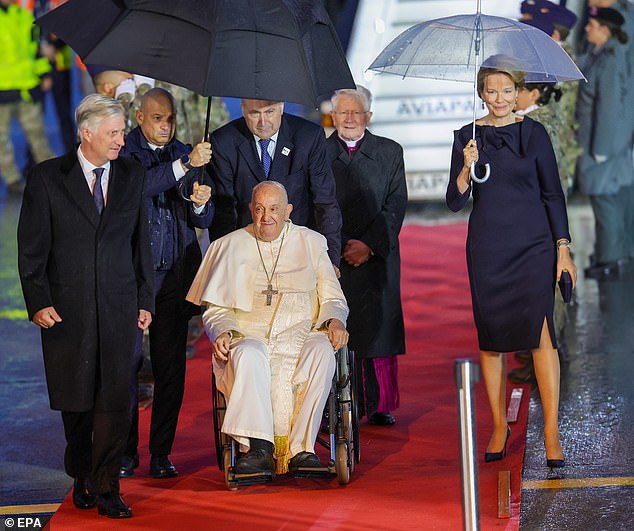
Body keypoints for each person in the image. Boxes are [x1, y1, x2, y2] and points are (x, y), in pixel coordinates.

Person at [17, 94, 154, 518]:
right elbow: (32, 248)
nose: (120, 140)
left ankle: (108, 485)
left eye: (121, 132)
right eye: (112, 133)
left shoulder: (132, 174)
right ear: (86, 133)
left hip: (119, 308)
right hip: (66, 312)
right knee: (76, 401)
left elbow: (140, 245)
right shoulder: (47, 178)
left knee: (116, 398)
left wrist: (145, 300)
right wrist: (38, 302)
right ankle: (82, 474)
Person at [446, 65, 577, 468]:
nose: (500, 98)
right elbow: (454, 201)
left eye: (507, 90)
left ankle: (551, 430)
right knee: (492, 339)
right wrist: (467, 167)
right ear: (481, 93)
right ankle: (500, 426)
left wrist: (563, 249)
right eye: (492, 90)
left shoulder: (532, 133)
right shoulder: (466, 137)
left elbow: (553, 194)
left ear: (517, 92)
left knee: (541, 337)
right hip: (488, 248)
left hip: (534, 246)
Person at [186, 181, 349, 475]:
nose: (266, 217)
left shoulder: (311, 242)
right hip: (250, 336)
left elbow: (333, 298)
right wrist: (223, 331)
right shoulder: (228, 246)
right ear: (251, 209)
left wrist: (335, 320)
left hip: (302, 336)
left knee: (323, 351)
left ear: (288, 211)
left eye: (274, 209)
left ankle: (303, 450)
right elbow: (215, 309)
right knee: (249, 353)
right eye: (259, 209)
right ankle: (258, 447)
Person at [118, 87, 213, 479]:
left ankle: (161, 453)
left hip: (176, 275)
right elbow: (140, 188)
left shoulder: (186, 152)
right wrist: (185, 164)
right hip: (135, 280)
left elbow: (203, 222)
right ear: (139, 117)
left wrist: (201, 202)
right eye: (158, 118)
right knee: (127, 369)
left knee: (171, 368)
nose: (166, 126)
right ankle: (125, 453)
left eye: (170, 118)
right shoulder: (125, 154)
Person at [326, 86, 407, 426]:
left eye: (355, 112)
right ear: (332, 116)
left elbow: (395, 206)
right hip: (334, 255)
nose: (348, 118)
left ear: (368, 117)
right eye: (342, 112)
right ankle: (340, 402)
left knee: (377, 330)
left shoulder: (389, 152)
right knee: (337, 329)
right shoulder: (318, 152)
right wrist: (339, 245)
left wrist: (369, 245)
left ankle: (379, 403)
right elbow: (317, 203)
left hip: (377, 256)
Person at [209, 98, 343, 268]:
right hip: (245, 253)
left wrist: (330, 260)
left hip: (299, 251)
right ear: (243, 110)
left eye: (269, 112)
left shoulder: (308, 136)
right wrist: (224, 262)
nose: (262, 122)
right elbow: (224, 208)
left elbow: (325, 202)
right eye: (254, 113)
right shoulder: (224, 141)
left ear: (281, 107)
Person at [576, 7, 633, 279]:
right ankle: (612, 256)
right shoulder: (597, 55)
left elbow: (610, 108)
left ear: (605, 30)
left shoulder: (609, 59)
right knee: (606, 200)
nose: (587, 28)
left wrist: (601, 150)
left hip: (602, 146)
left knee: (605, 201)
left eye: (592, 24)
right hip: (599, 143)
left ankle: (611, 260)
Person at [0, 0, 55, 194]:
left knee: (38, 137)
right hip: (2, 89)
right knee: (1, 141)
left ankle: (53, 175)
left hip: (26, 87)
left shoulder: (25, 17)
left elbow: (36, 51)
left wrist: (45, 73)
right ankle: (13, 181)